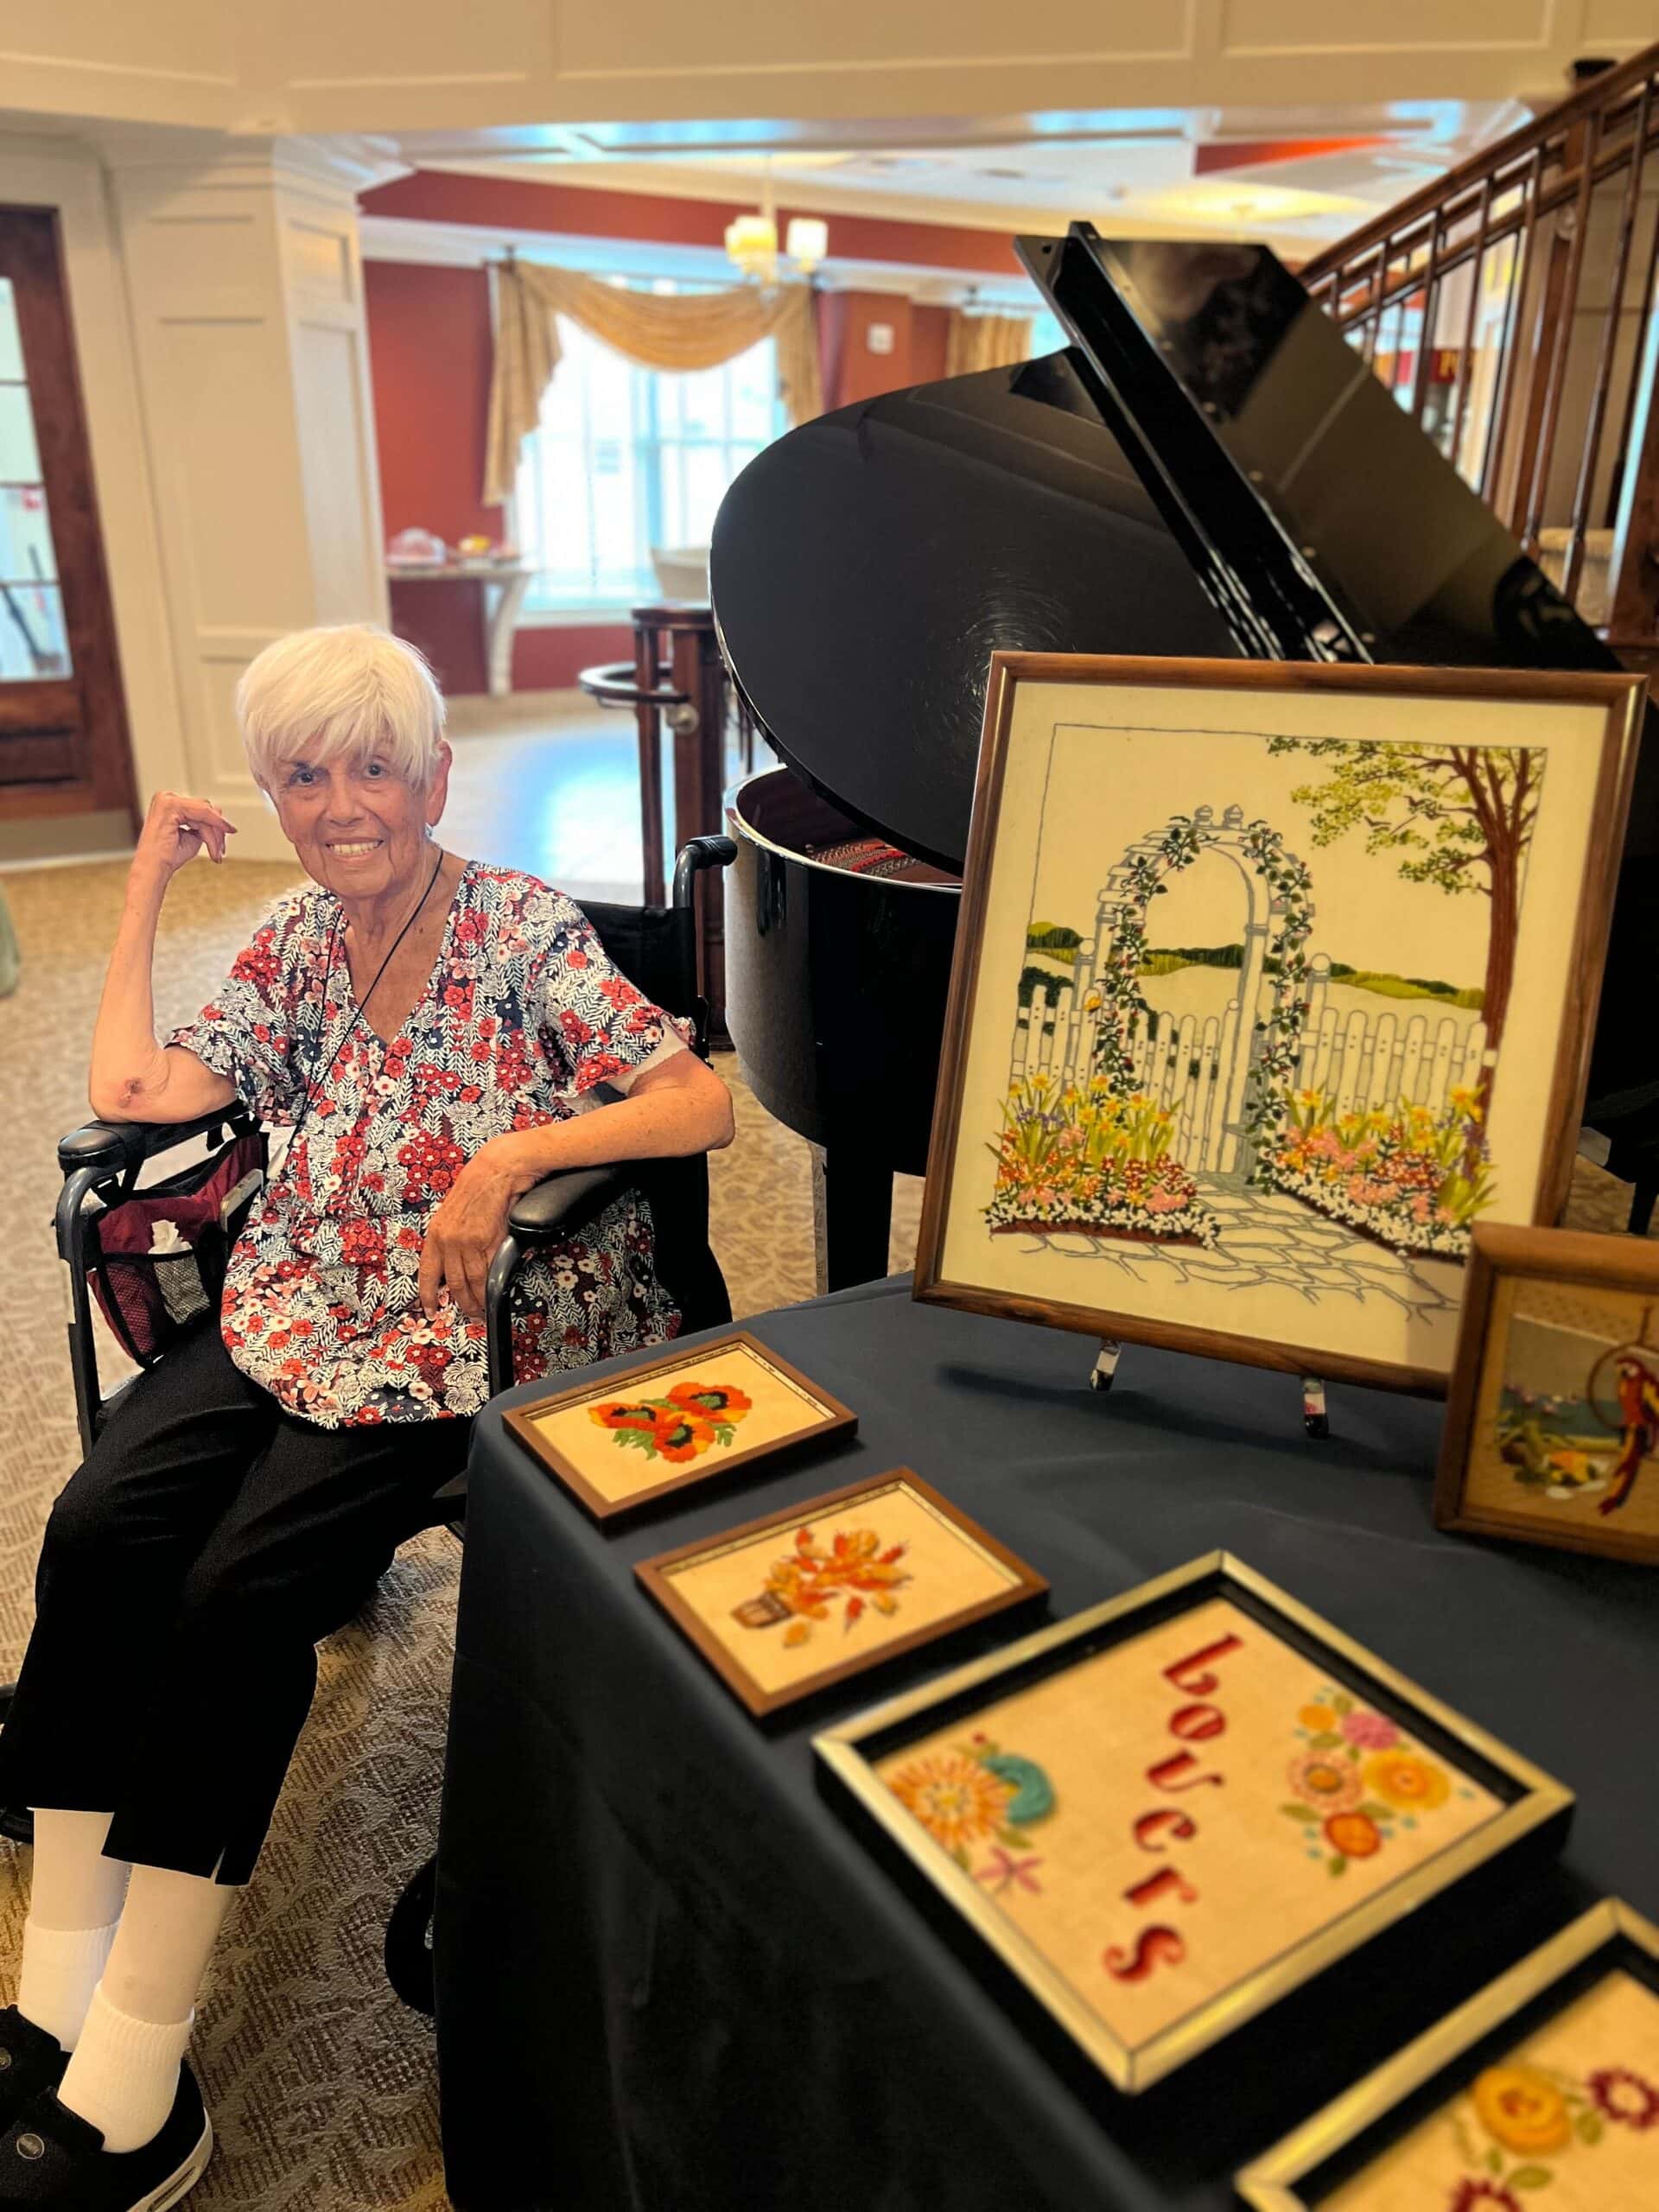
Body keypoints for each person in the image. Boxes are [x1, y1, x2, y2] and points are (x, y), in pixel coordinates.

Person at [0, 625, 733, 2208]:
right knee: (96, 1522)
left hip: (455, 1335)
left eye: (373, 767)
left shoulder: (523, 931)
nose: (343, 805)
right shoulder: (289, 937)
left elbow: (699, 1101)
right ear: (274, 795)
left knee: (231, 1594)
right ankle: (53, 1979)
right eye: (304, 775)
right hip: (290, 1301)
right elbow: (133, 1090)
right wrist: (141, 884)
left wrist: (503, 1160)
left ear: (436, 777)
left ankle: (141, 2049)